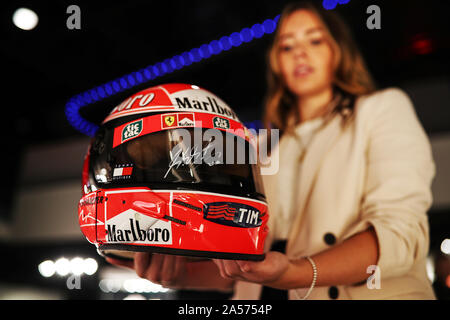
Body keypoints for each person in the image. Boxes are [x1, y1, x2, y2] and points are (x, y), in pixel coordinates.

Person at [107, 1, 436, 299]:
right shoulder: (262, 142)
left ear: (339, 50)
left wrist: (296, 273)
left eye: (315, 40)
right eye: (286, 46)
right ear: (276, 62)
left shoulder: (381, 108)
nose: (299, 53)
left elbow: (399, 233)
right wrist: (180, 274)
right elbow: (241, 268)